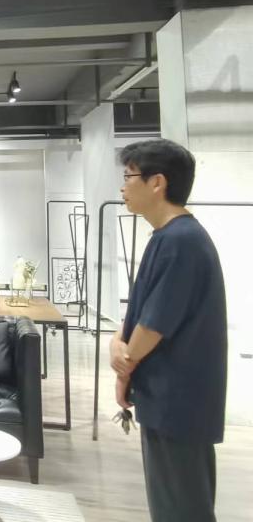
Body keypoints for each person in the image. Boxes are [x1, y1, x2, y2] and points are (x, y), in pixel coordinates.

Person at [110, 139, 227, 522]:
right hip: (166, 399)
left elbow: (154, 323)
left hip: (179, 402)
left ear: (157, 182)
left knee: (182, 508)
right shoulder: (168, 238)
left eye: (129, 177)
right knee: (171, 502)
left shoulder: (182, 242)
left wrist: (124, 364)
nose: (123, 188)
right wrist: (117, 341)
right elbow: (143, 310)